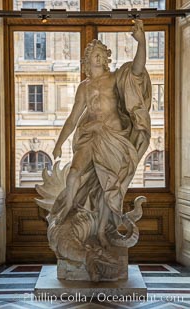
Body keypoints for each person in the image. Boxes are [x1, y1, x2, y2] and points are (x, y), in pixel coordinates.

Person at [52, 20, 151, 247]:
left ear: (106, 58)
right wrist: (59, 143)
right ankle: (66, 209)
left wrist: (141, 42)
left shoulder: (116, 78)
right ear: (87, 60)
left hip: (114, 138)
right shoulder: (84, 87)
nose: (97, 57)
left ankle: (104, 232)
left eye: (100, 54)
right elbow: (73, 118)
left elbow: (137, 71)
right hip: (90, 135)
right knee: (74, 173)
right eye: (93, 54)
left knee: (109, 188)